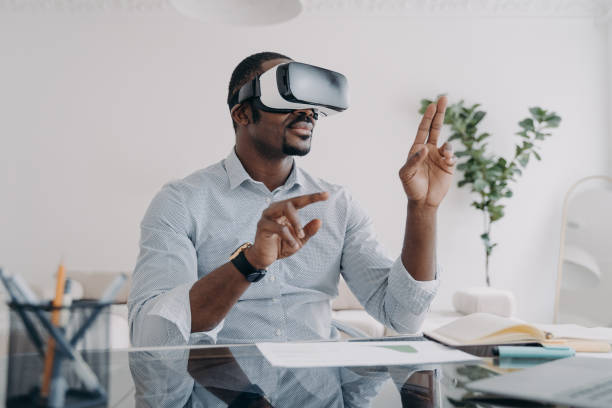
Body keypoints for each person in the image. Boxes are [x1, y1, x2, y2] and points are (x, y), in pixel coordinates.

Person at [128, 51, 456, 347]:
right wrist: (250, 262)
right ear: (242, 114)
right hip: (223, 390)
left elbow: (402, 317)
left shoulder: (338, 204)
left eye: (312, 104)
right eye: (287, 97)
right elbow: (156, 332)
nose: (308, 113)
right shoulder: (180, 202)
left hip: (322, 391)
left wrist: (423, 209)